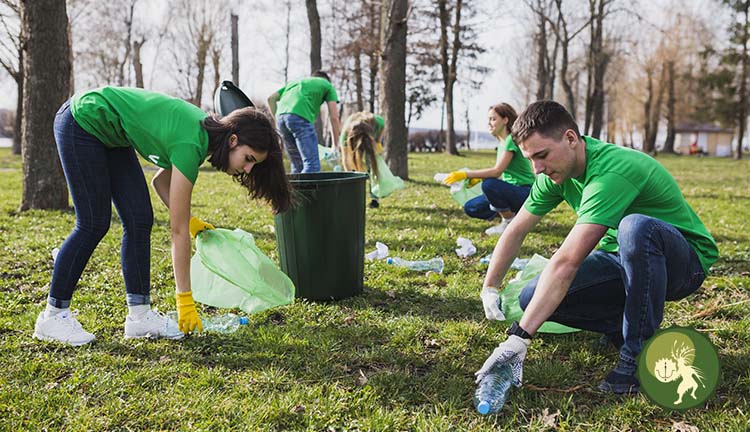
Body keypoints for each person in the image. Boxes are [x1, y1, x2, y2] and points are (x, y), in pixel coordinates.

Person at [475, 100, 718, 394]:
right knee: (530, 298)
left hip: (682, 264)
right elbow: (516, 230)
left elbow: (567, 262)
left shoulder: (612, 171)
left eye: (542, 155)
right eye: (529, 159)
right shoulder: (553, 173)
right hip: (621, 258)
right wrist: (490, 287)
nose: (537, 169)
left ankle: (636, 358)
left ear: (570, 138)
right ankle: (621, 324)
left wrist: (519, 336)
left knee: (635, 227)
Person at [33, 86, 291, 346]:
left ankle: (140, 316)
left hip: (112, 134)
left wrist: (190, 222)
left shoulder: (202, 139)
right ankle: (52, 317)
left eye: (253, 165)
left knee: (139, 219)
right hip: (83, 120)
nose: (246, 169)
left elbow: (160, 183)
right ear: (233, 140)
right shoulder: (192, 142)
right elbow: (176, 233)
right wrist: (185, 300)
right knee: (93, 222)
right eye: (248, 159)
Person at [443, 104, 534, 235]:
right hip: (511, 190)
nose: (489, 124)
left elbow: (497, 171)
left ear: (505, 120)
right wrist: (477, 179)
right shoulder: (502, 143)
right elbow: (500, 174)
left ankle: (508, 222)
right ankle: (514, 214)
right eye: (489, 120)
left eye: (493, 119)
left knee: (489, 185)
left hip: (524, 191)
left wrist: (466, 174)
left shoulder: (510, 140)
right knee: (471, 207)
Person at [267, 70, 342, 173]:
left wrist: (279, 121)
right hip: (299, 117)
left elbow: (271, 99)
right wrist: (335, 145)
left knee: (297, 166)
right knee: (312, 165)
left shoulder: (295, 82)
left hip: (281, 119)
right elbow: (334, 117)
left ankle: (294, 189)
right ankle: (308, 189)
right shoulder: (327, 85)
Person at [340, 111, 385, 208]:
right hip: (354, 140)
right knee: (354, 165)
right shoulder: (345, 134)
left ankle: (374, 197)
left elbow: (378, 141)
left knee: (372, 166)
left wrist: (376, 146)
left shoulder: (379, 122)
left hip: (370, 139)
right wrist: (349, 177)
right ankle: (353, 196)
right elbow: (345, 158)